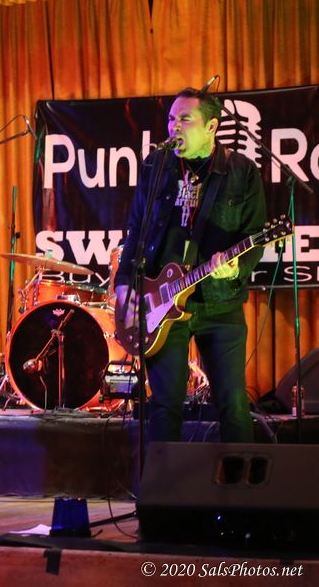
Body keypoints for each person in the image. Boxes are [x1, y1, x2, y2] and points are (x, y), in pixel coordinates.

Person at [114, 88, 267, 443]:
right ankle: (162, 480)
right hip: (162, 302)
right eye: (171, 119)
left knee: (233, 403)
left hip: (219, 303)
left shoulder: (241, 171)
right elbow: (136, 229)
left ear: (211, 126)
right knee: (165, 405)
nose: (174, 127)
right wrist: (124, 283)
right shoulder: (156, 166)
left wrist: (235, 268)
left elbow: (255, 236)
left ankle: (239, 477)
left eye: (185, 119)